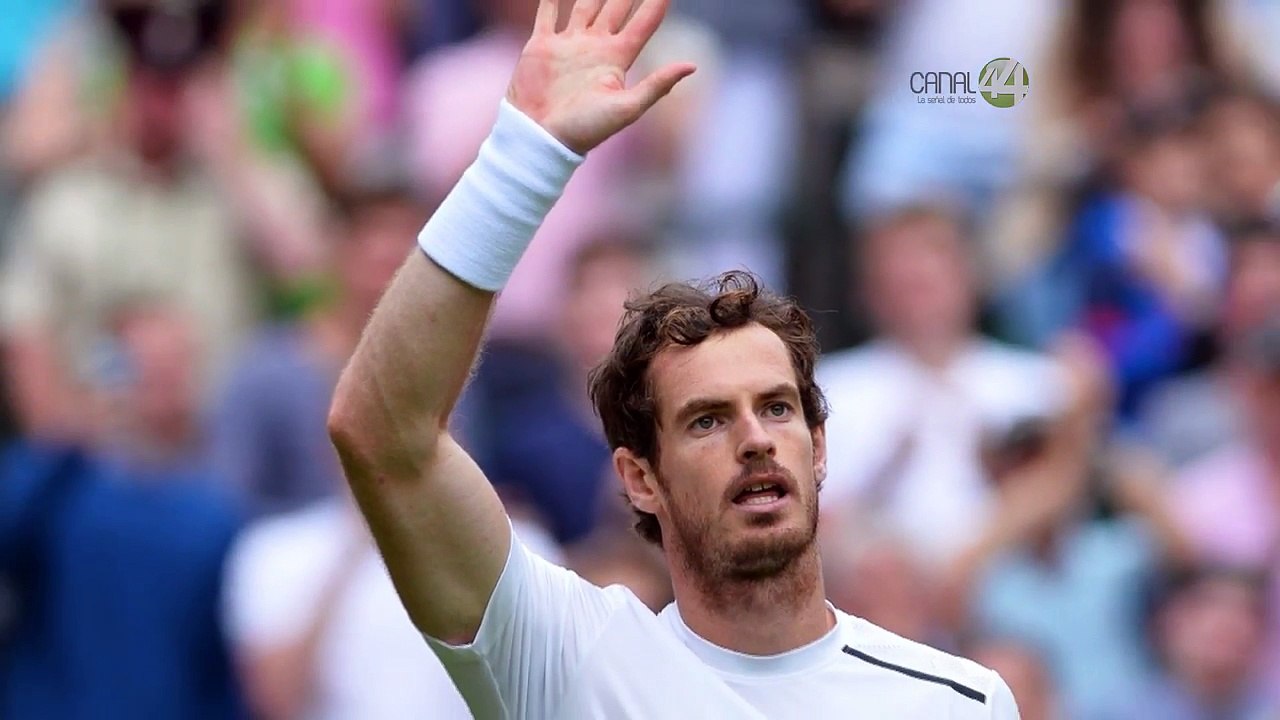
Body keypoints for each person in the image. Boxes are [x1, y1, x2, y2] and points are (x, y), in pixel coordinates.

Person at [327, 1, 1019, 717]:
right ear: (639, 480)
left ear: (817, 447)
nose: (755, 439)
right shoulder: (565, 660)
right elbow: (383, 433)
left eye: (777, 408)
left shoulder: (963, 702)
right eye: (707, 420)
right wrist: (522, 156)